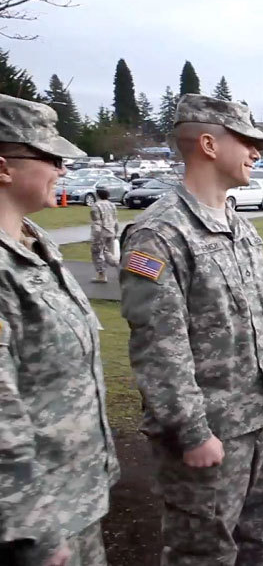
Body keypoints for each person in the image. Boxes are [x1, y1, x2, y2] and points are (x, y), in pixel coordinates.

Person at [119, 94, 263, 566]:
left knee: (259, 535)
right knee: (205, 551)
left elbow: (260, 315)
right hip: (211, 428)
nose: (257, 153)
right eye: (247, 141)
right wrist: (192, 432)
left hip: (258, 418)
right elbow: (158, 345)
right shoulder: (158, 235)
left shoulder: (241, 228)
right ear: (208, 144)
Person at [0, 95, 119, 565]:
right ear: (3, 167)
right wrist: (34, 529)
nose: (62, 169)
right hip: (33, 522)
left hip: (72, 499)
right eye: (50, 157)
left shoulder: (34, 243)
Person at [89, 187, 118, 283]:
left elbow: (97, 221)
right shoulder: (112, 205)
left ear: (97, 195)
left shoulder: (96, 206)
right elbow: (115, 220)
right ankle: (118, 265)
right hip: (111, 231)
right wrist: (116, 232)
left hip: (101, 232)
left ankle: (101, 275)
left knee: (97, 253)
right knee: (107, 252)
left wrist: (95, 236)